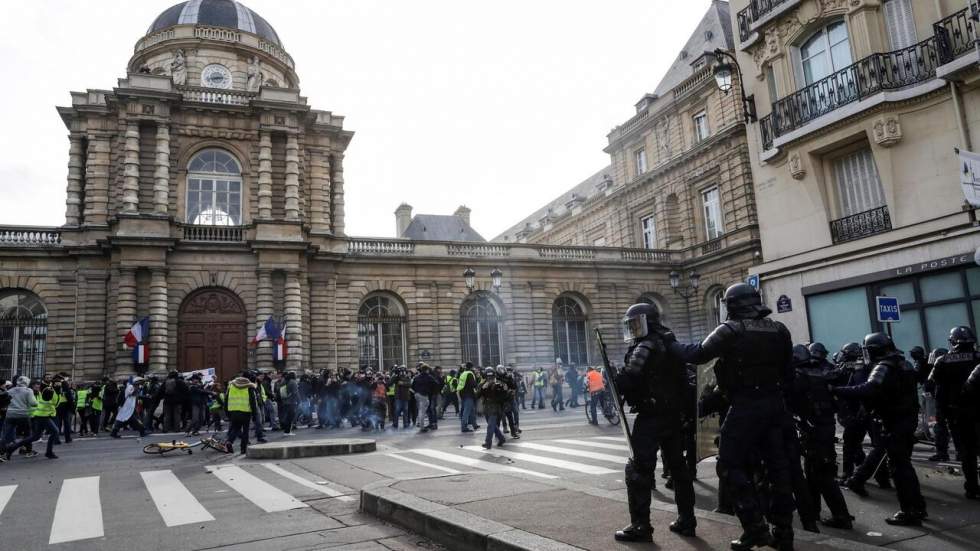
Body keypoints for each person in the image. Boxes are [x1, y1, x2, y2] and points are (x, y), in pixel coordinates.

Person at [668, 283, 796, 551]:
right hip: (775, 406)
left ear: (732, 305)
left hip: (745, 406)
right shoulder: (779, 329)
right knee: (778, 469)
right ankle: (783, 533)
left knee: (728, 464)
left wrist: (671, 343)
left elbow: (698, 354)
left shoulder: (731, 329)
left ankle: (754, 528)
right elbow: (788, 373)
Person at [614, 302, 697, 542]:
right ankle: (687, 520)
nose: (633, 328)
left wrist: (616, 379)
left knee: (638, 469)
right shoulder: (670, 342)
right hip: (673, 415)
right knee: (678, 468)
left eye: (635, 323)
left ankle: (641, 526)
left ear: (645, 321)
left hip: (651, 416)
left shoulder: (645, 346)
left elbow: (629, 379)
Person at [832, 332, 927, 526]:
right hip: (907, 420)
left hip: (894, 422)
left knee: (900, 468)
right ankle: (918, 507)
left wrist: (836, 390)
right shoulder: (904, 364)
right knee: (904, 466)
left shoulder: (884, 366)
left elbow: (868, 388)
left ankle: (910, 510)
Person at [790, 345, 853, 529]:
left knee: (822, 473)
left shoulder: (800, 376)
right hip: (823, 426)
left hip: (814, 428)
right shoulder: (819, 372)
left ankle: (841, 516)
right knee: (812, 470)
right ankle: (813, 510)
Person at [928, 326, 980, 499]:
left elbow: (933, 385)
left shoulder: (942, 361)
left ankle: (972, 487)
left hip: (958, 413)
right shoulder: (978, 358)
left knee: (967, 452)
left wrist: (942, 412)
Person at [9, 380, 62, 459]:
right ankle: (49, 452)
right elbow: (54, 403)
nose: (59, 385)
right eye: (57, 383)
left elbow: (55, 403)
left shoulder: (51, 392)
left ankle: (12, 448)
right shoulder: (49, 391)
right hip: (42, 416)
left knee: (35, 437)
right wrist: (57, 391)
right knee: (55, 431)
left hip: (41, 415)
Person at [1, 376, 37, 461]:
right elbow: (33, 403)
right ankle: (28, 451)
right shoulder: (28, 391)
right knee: (27, 434)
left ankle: (1, 452)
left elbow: (3, 399)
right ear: (27, 382)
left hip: (10, 414)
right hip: (23, 415)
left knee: (6, 435)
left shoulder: (10, 390)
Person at [224, 373, 260, 454]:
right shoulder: (249, 387)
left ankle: (229, 442)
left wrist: (227, 412)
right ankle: (243, 449)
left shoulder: (231, 386)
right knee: (245, 431)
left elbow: (226, 400)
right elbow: (253, 402)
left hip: (233, 411)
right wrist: (255, 414)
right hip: (245, 412)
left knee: (236, 428)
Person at [475, 368, 508, 449]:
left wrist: (497, 389)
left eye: (491, 377)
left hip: (496, 408)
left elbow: (504, 396)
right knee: (493, 426)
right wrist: (483, 388)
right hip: (486, 407)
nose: (490, 379)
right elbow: (476, 396)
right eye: (488, 377)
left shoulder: (499, 384)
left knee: (490, 426)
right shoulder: (482, 384)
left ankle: (488, 442)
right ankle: (501, 438)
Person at [458, 363, 479, 432]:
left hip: (463, 394)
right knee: (466, 412)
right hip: (468, 394)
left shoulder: (463, 373)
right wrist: (477, 380)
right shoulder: (470, 374)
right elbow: (473, 384)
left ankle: (474, 424)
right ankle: (464, 427)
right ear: (471, 367)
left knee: (472, 410)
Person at [279, 371, 300, 435]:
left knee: (287, 416)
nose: (296, 375)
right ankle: (287, 431)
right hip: (291, 402)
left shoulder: (284, 381)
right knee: (290, 417)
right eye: (296, 374)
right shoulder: (293, 382)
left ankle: (286, 431)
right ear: (293, 375)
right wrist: (299, 401)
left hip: (285, 401)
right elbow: (295, 393)